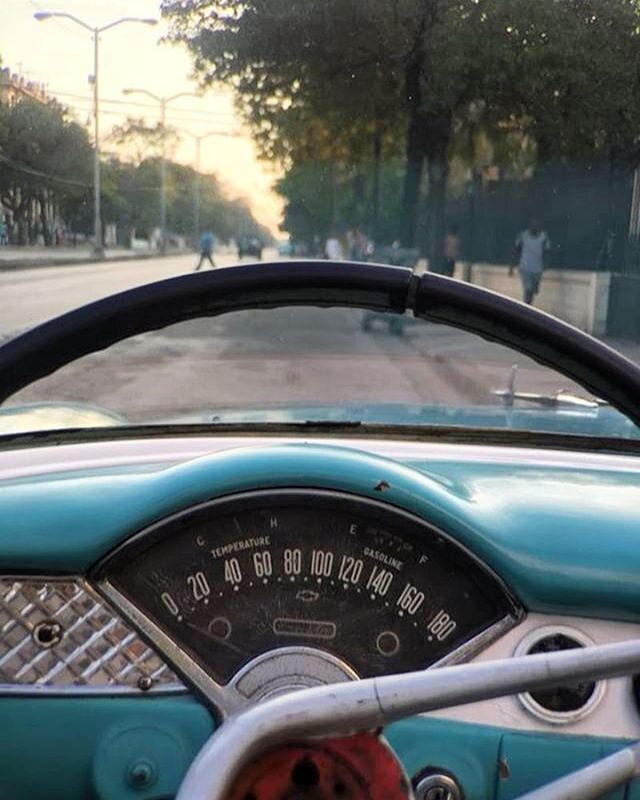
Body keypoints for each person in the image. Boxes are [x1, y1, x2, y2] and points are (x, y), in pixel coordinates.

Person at [513, 218, 551, 304]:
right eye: (532, 224)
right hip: (525, 267)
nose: (534, 226)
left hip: (537, 269)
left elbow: (547, 251)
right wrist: (511, 266)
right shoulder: (523, 235)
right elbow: (516, 249)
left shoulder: (544, 237)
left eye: (536, 224)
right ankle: (527, 307)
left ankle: (531, 296)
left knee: (534, 290)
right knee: (528, 290)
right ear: (529, 225)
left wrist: (546, 264)